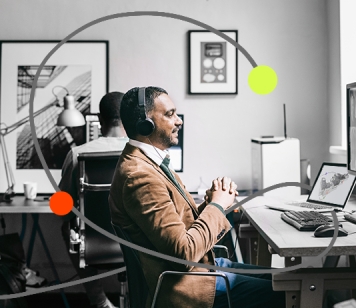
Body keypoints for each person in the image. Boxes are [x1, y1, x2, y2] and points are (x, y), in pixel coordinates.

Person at [109, 86, 285, 308]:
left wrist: (211, 204)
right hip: (188, 285)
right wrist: (218, 207)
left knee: (288, 279)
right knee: (291, 290)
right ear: (146, 124)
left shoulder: (149, 163)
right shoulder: (140, 177)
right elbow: (183, 254)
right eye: (170, 114)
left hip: (202, 270)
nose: (179, 121)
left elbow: (178, 230)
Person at [59, 91, 128, 308]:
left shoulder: (77, 153)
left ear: (99, 120)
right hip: (136, 245)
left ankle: (98, 300)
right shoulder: (146, 154)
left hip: (94, 246)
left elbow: (62, 207)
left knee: (66, 227)